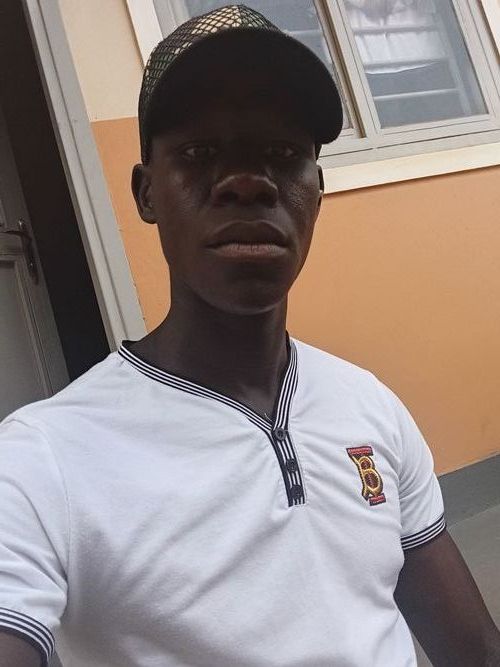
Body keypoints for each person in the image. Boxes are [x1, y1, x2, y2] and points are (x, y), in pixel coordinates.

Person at [0, 5, 499, 666]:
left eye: (283, 155)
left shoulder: (370, 406)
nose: (247, 182)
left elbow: (474, 649)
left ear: (315, 192)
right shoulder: (45, 460)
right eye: (200, 154)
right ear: (146, 194)